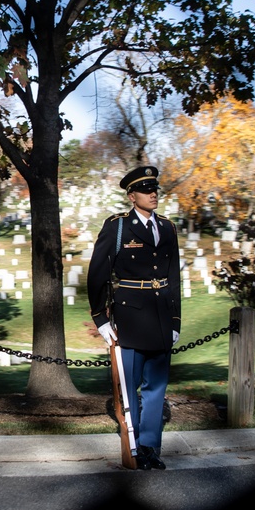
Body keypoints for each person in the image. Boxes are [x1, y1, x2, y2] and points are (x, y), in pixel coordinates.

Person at [87, 165, 181, 470]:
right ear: (132, 195)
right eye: (145, 190)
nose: (153, 194)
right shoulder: (117, 227)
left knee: (156, 389)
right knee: (130, 390)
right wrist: (101, 319)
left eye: (154, 189)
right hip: (129, 319)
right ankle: (134, 447)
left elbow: (173, 277)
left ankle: (151, 447)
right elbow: (97, 274)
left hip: (161, 320)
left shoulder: (167, 227)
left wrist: (175, 320)